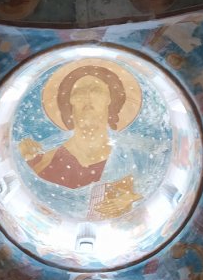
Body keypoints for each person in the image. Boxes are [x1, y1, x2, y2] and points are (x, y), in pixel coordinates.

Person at [18, 63, 143, 217]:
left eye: (96, 91)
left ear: (110, 99)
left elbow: (141, 192)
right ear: (69, 101)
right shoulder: (42, 159)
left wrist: (130, 200)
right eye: (79, 92)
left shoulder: (131, 156)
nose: (88, 98)